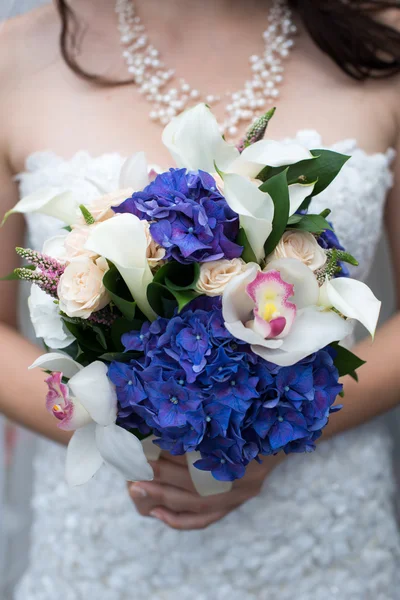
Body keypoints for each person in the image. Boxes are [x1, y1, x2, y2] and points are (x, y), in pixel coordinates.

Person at [1, 0, 400, 598]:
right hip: (107, 550)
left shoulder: (382, 42)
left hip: (322, 545)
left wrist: (266, 434)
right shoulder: (15, 57)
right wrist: (151, 444)